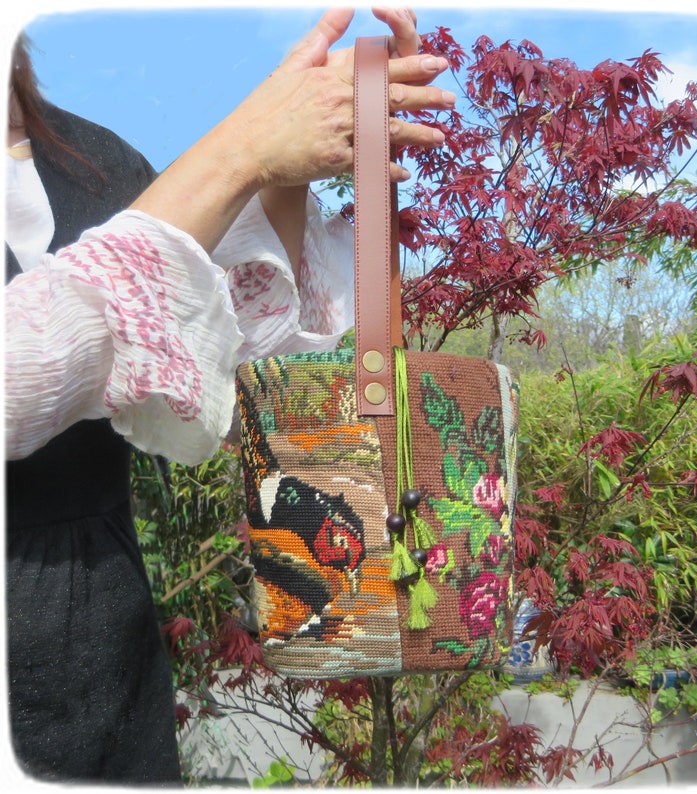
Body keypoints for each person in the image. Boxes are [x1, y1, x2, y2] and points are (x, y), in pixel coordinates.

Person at [4, 7, 453, 783]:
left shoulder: (98, 161)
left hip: (111, 648)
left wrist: (294, 155)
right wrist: (241, 148)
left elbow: (245, 352)